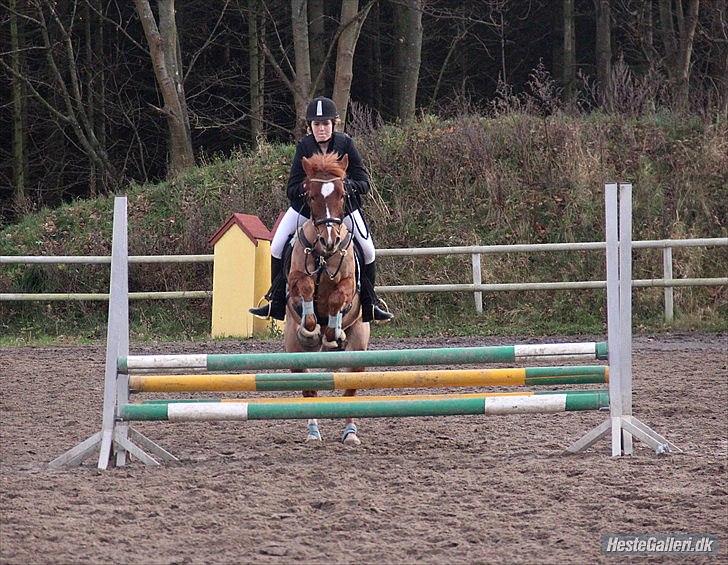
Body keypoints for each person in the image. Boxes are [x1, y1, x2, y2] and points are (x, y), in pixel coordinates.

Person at [250, 96, 394, 323]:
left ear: (333, 124)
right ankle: (276, 302)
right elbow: (292, 187)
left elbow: (364, 182)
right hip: (308, 210)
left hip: (341, 210)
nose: (322, 129)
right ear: (310, 127)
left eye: (325, 124)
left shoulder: (345, 143)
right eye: (317, 125)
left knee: (368, 250)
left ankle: (370, 303)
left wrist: (344, 186)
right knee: (277, 246)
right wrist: (309, 188)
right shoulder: (304, 147)